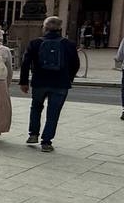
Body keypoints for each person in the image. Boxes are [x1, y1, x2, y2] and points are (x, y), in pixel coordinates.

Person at [19, 15, 80, 153]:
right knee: (53, 112)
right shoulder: (69, 44)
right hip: (60, 83)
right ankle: (46, 142)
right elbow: (75, 64)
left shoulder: (35, 43)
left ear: (44, 28)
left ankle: (33, 134)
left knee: (36, 107)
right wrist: (69, 78)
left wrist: (24, 82)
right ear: (60, 29)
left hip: (39, 81)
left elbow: (25, 63)